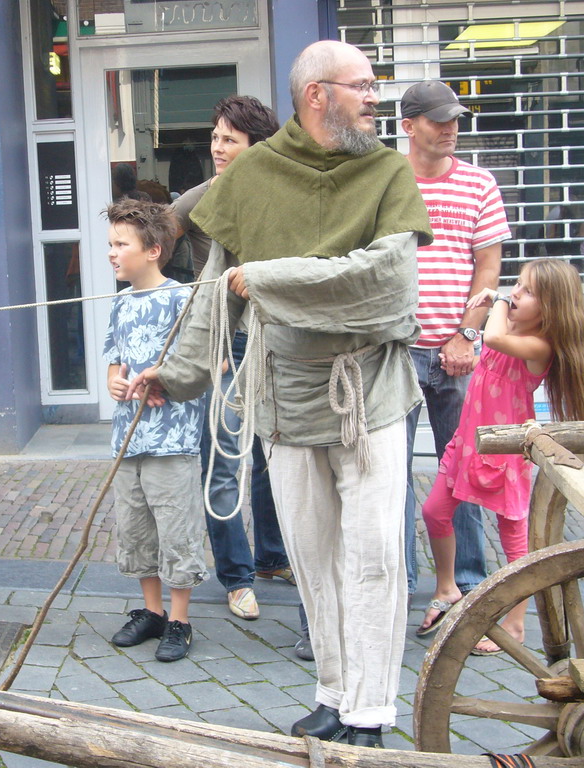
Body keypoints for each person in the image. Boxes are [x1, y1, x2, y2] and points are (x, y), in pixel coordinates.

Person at [128, 40, 433, 746]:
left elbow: (388, 289)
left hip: (371, 395)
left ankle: (371, 709)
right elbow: (214, 295)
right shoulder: (254, 174)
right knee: (312, 558)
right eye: (363, 85)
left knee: (375, 555)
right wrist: (173, 375)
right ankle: (333, 692)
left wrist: (272, 280)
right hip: (286, 396)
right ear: (317, 95)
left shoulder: (388, 171)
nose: (376, 97)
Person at [416, 259, 584, 654]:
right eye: (516, 284)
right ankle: (447, 586)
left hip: (505, 451)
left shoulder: (539, 346)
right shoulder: (513, 327)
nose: (515, 293)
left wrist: (496, 297)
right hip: (469, 442)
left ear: (551, 306)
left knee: (514, 539)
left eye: (527, 290)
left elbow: (495, 338)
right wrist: (501, 300)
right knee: (434, 511)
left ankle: (516, 624)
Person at [171, 95, 292, 623]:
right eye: (215, 137)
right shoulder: (200, 200)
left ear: (257, 147)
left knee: (273, 457)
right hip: (227, 346)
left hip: (278, 343)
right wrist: (195, 325)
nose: (218, 148)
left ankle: (271, 558)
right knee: (222, 461)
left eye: (230, 139)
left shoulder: (283, 195)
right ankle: (237, 577)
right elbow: (151, 243)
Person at [399, 80, 509, 608]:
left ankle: (466, 587)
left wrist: (467, 334)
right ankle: (398, 584)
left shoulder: (479, 183)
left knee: (463, 472)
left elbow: (488, 266)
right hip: (396, 350)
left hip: (459, 352)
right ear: (408, 127)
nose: (450, 129)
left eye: (455, 119)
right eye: (438, 120)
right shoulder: (388, 182)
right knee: (388, 473)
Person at [103, 198, 208, 663]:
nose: (111, 252)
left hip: (172, 440)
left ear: (153, 250)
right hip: (128, 439)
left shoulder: (183, 299)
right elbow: (113, 360)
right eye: (111, 243)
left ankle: (181, 619)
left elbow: (208, 360)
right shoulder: (121, 301)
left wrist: (163, 376)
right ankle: (151, 611)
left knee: (176, 528)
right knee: (137, 527)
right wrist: (115, 381)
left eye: (120, 244)